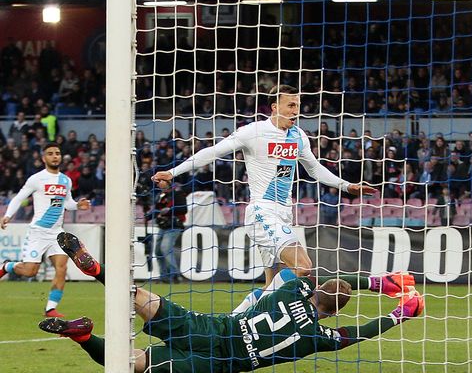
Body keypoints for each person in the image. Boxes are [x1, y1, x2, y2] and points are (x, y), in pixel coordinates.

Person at [40, 232, 424, 372]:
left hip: (217, 326)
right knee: (133, 363)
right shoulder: (317, 335)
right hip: (222, 361)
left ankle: (97, 270)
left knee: (143, 297)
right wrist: (401, 313)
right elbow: (358, 333)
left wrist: (378, 282)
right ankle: (84, 337)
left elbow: (315, 279)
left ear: (316, 290)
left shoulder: (292, 288)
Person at [151, 84, 377, 288]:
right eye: (290, 105)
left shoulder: (298, 136)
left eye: (297, 105)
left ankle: (246, 318)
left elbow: (314, 168)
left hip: (284, 212)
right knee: (302, 267)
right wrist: (172, 172)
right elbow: (213, 152)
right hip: (262, 211)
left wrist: (347, 186)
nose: (295, 111)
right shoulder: (254, 131)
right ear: (274, 107)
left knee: (271, 284)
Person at [0, 143, 90, 317]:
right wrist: (8, 215)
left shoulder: (66, 180)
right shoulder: (37, 179)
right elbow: (19, 198)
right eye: (50, 153)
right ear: (44, 158)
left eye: (57, 153)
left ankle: (50, 308)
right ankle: (7, 266)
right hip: (38, 232)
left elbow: (67, 203)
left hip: (57, 233)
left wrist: (78, 205)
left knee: (62, 268)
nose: (55, 156)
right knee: (29, 271)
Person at [145, 179, 187, 282]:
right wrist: (147, 216)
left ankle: (175, 275)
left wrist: (169, 211)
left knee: (165, 248)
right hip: (163, 226)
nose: (160, 183)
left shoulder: (177, 194)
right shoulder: (160, 195)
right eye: (158, 182)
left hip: (174, 225)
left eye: (162, 181)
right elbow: (157, 211)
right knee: (158, 251)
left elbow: (183, 209)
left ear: (168, 182)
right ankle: (164, 276)